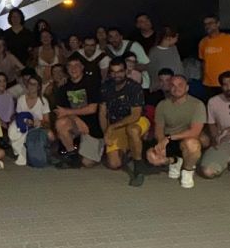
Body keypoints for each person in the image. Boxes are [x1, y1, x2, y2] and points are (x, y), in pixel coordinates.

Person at [146, 75, 205, 189]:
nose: (176, 88)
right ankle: (174, 161)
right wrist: (161, 144)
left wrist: (169, 138)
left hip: (185, 137)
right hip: (169, 139)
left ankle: (187, 170)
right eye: (172, 85)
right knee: (151, 155)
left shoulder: (197, 105)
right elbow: (159, 128)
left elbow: (195, 131)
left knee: (192, 145)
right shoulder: (162, 105)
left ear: (187, 88)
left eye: (180, 85)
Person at [99, 58, 150, 186]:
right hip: (116, 124)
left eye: (120, 71)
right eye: (114, 72)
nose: (117, 75)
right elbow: (102, 112)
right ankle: (129, 151)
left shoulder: (134, 87)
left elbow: (135, 115)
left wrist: (111, 127)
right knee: (114, 164)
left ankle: (138, 168)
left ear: (126, 71)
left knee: (132, 130)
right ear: (109, 73)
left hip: (137, 121)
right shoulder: (105, 87)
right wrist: (106, 132)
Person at [54, 57, 102, 168]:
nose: (73, 68)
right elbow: (61, 111)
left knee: (87, 163)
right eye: (70, 65)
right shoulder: (63, 86)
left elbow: (92, 109)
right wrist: (77, 119)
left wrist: (69, 113)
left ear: (82, 67)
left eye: (76, 65)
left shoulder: (92, 83)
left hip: (93, 126)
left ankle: (98, 147)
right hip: (75, 123)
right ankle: (72, 155)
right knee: (60, 123)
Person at [198, 15, 230, 99]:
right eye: (205, 24)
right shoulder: (203, 42)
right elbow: (203, 63)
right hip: (209, 84)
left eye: (210, 23)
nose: (207, 26)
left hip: (228, 83)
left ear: (218, 24)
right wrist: (202, 79)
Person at [8, 74, 51, 166]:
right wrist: (25, 121)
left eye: (34, 84)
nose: (31, 86)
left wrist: (39, 122)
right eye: (30, 84)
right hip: (23, 126)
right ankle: (21, 151)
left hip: (37, 128)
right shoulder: (21, 99)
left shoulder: (43, 101)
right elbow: (18, 116)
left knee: (50, 135)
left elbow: (47, 122)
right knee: (12, 128)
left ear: (39, 87)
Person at [147, 27, 183, 92]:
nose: (177, 40)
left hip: (176, 87)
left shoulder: (174, 48)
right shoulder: (154, 52)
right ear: (168, 38)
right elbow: (151, 71)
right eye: (176, 37)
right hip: (162, 89)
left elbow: (178, 67)